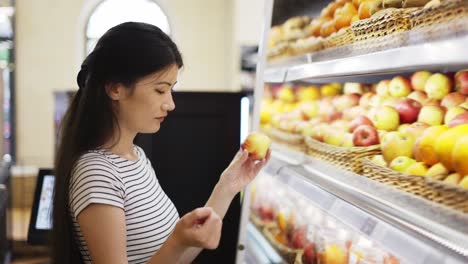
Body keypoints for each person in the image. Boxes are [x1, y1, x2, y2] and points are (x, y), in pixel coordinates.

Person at [52, 22, 270, 264]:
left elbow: (176, 258)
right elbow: (174, 250)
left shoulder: (136, 157)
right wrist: (177, 240)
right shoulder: (97, 172)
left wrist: (228, 185)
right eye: (160, 90)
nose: (170, 104)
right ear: (115, 88)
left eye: (171, 90)